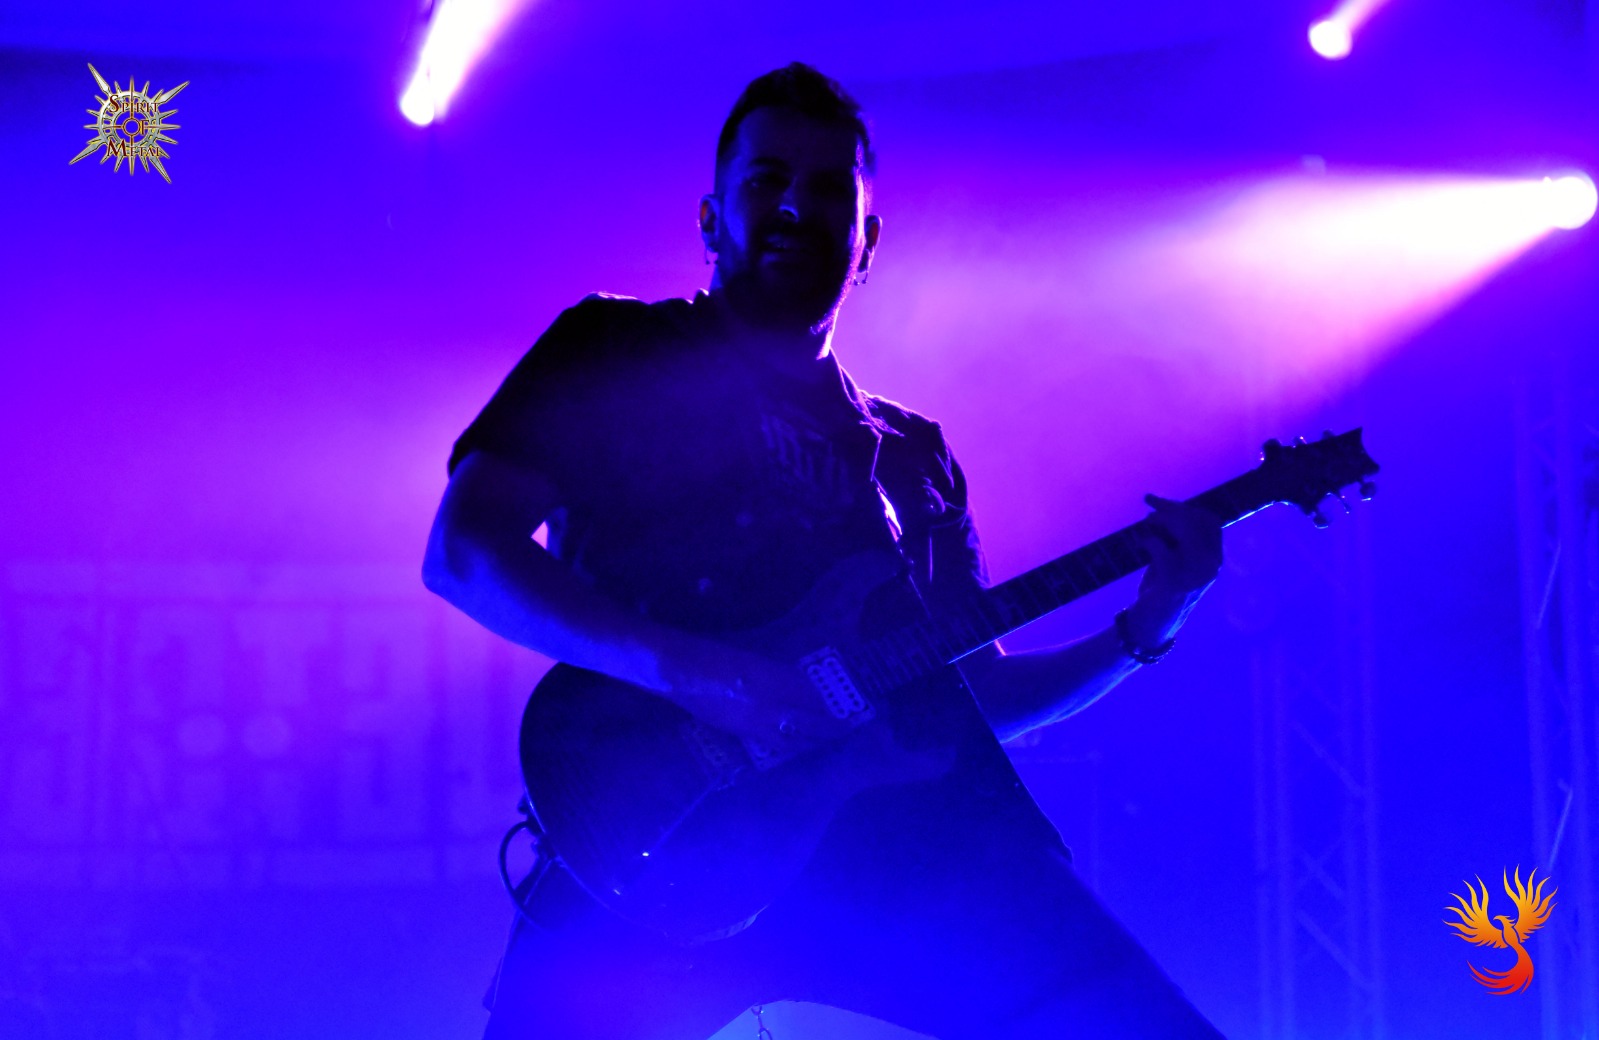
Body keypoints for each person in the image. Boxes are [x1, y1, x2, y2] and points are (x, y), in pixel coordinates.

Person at [423, 62, 1228, 1040]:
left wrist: (1146, 626)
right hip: (661, 830)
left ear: (867, 240)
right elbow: (463, 550)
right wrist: (697, 672)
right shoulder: (615, 350)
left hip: (901, 853)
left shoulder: (913, 457)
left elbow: (977, 697)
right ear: (711, 218)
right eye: (766, 181)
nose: (795, 207)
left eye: (826, 189)